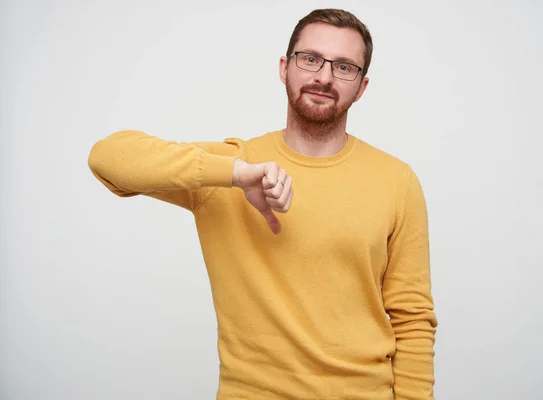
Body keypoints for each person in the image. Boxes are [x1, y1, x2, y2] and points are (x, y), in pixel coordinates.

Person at [88, 8, 437, 400]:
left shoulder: (396, 181)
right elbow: (108, 158)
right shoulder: (229, 169)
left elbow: (413, 320)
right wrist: (236, 174)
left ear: (362, 86)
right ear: (285, 68)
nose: (324, 76)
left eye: (344, 67)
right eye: (311, 59)